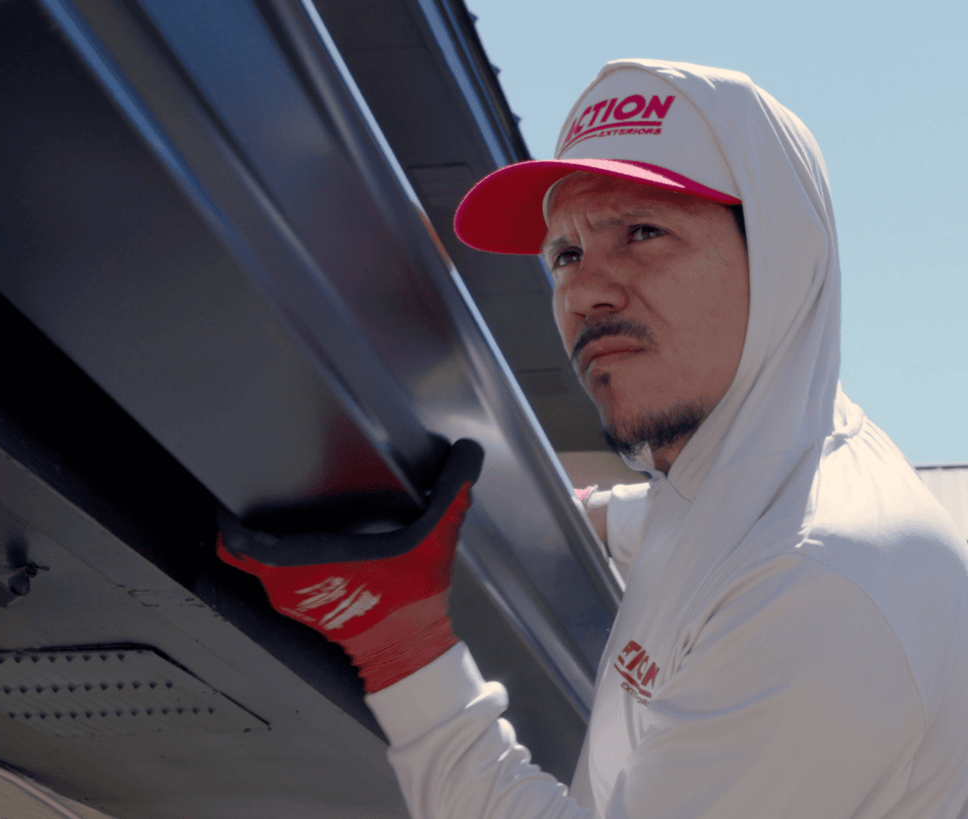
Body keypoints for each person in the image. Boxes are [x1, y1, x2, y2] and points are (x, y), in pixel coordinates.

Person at [217, 59, 968, 818]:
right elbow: (662, 522)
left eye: (644, 232)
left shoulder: (821, 588)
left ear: (781, 257)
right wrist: (555, 507)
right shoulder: (752, 469)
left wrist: (403, 653)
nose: (584, 291)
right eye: (566, 254)